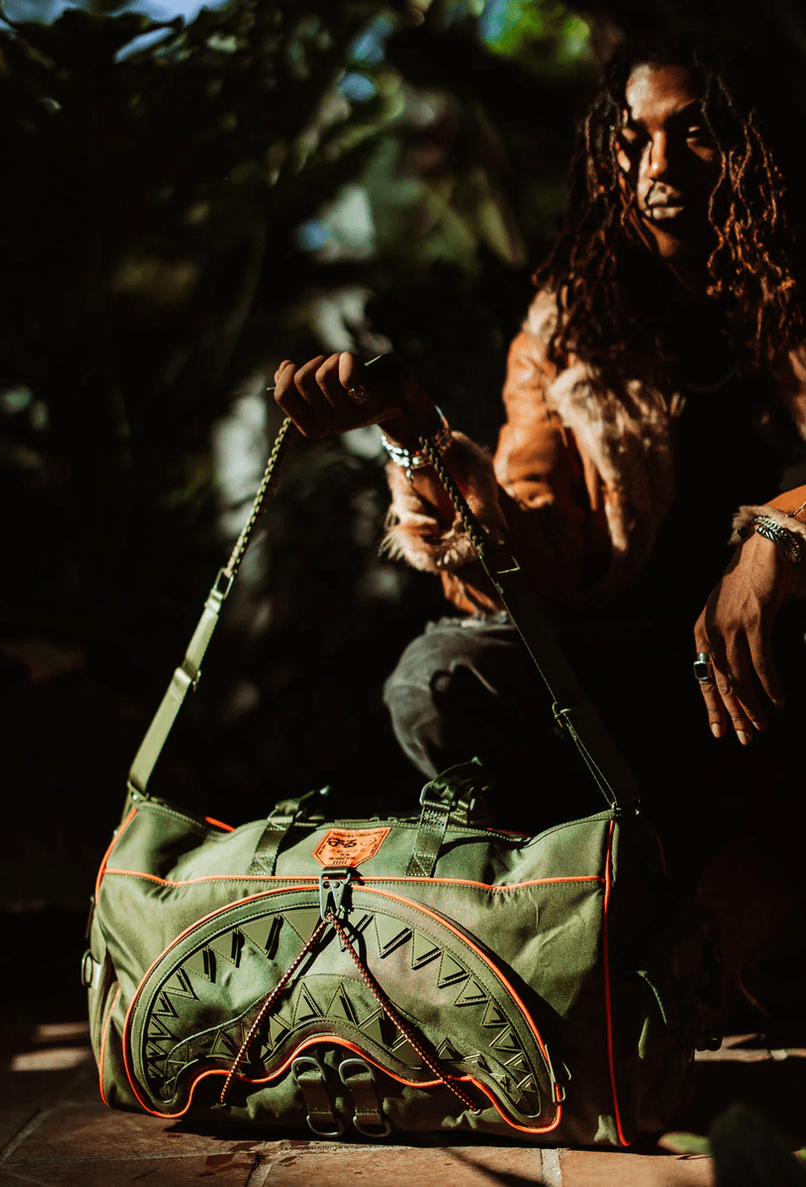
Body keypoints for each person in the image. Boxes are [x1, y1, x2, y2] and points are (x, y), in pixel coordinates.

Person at [273, 37, 806, 1003]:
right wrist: (413, 436)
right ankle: (667, 896)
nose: (657, 168)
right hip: (651, 680)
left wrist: (779, 536)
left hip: (785, 666)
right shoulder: (568, 330)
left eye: (694, 133)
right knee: (438, 679)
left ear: (753, 146)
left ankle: (737, 907)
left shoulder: (792, 293)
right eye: (634, 140)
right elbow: (536, 564)